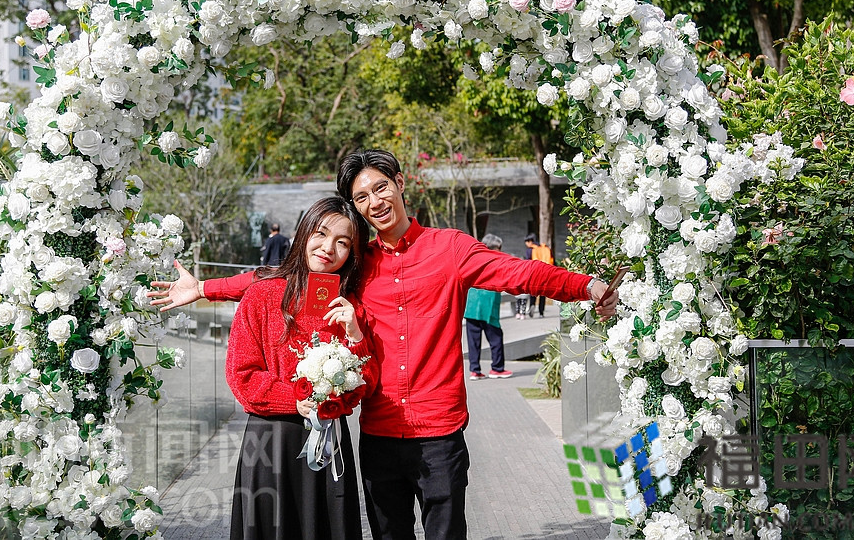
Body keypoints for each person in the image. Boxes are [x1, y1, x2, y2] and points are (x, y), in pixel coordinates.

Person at [152, 150, 618, 540]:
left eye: (380, 188)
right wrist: (205, 289)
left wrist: (587, 285)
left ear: (399, 184)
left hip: (439, 434)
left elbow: (521, 273)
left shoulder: (450, 248)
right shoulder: (355, 265)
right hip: (378, 436)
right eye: (361, 197)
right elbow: (280, 279)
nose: (374, 202)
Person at [155, 197, 376, 540]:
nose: (328, 248)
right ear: (304, 233)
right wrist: (295, 399)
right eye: (321, 233)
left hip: (330, 439)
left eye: (343, 242)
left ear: (352, 253)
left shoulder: (350, 307)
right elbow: (242, 375)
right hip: (272, 440)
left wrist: (355, 335)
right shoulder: (263, 294)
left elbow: (366, 384)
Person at [464, 233, 511, 380]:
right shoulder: (494, 260)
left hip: (471, 306)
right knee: (496, 338)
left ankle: (474, 370)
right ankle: (497, 368)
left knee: (473, 341)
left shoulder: (472, 258)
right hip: (487, 306)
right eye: (499, 247)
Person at [524, 233, 554, 317]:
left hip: (535, 273)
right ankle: (541, 312)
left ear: (530, 241)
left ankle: (532, 304)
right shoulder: (545, 248)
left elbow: (528, 262)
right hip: (545, 273)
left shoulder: (530, 250)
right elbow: (552, 260)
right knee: (542, 293)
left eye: (526, 242)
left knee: (533, 290)